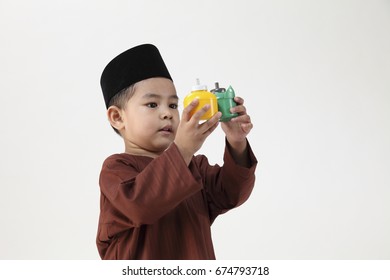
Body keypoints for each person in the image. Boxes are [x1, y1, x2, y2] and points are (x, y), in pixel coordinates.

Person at [96, 44, 257, 260]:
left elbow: (231, 193)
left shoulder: (195, 167)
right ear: (117, 117)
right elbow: (139, 204)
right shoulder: (116, 170)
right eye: (152, 104)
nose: (167, 114)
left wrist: (236, 141)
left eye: (173, 105)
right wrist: (182, 149)